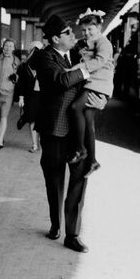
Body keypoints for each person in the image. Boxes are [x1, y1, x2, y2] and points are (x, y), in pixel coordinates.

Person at [33, 15, 90, 253]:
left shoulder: (77, 54)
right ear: (56, 38)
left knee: (79, 179)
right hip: (55, 129)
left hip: (78, 131)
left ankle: (72, 234)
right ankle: (56, 224)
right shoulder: (45, 57)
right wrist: (87, 69)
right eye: (68, 33)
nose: (73, 35)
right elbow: (60, 81)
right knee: (55, 179)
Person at [67, 9, 114, 177]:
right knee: (88, 121)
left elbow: (100, 61)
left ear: (99, 27)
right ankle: (93, 161)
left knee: (75, 108)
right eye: (84, 30)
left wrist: (80, 67)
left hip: (98, 85)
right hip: (92, 84)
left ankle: (81, 149)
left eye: (90, 29)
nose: (86, 33)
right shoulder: (85, 43)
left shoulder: (104, 42)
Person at [15, 40, 44, 153]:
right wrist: (21, 98)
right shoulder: (24, 66)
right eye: (34, 49)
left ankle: (41, 143)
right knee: (32, 120)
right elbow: (20, 83)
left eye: (38, 50)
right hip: (30, 97)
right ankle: (35, 145)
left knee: (41, 121)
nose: (35, 52)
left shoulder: (46, 66)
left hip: (42, 97)